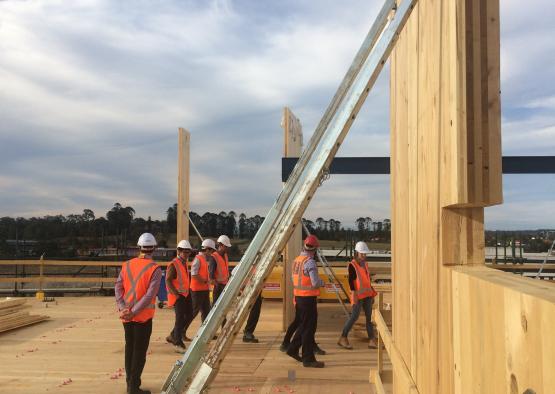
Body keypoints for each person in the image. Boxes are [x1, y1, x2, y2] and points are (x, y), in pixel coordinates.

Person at [115, 232, 161, 394]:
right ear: (153, 248)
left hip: (126, 316)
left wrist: (123, 308)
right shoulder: (155, 269)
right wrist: (134, 312)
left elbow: (118, 287)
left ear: (138, 248)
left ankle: (130, 384)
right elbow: (149, 295)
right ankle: (134, 387)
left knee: (130, 348)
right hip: (142, 317)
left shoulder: (127, 265)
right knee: (139, 352)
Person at [285, 235, 325, 368]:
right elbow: (314, 283)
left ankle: (293, 348)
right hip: (308, 299)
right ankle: (308, 358)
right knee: (309, 328)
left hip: (299, 298)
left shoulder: (297, 260)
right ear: (315, 249)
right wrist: (322, 282)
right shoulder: (310, 262)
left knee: (303, 326)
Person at [338, 241, 378, 350]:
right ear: (356, 253)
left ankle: (372, 340)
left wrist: (372, 293)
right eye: (362, 254)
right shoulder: (352, 265)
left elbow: (367, 280)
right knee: (354, 317)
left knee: (369, 318)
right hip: (358, 295)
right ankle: (343, 337)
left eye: (365, 254)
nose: (364, 256)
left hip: (367, 295)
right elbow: (352, 283)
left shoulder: (365, 264)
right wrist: (354, 296)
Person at [165, 240, 193, 354]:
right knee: (180, 318)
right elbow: (168, 280)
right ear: (179, 251)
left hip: (185, 294)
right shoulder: (174, 264)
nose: (186, 254)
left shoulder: (183, 263)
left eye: (188, 252)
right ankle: (177, 342)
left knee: (189, 315)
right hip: (178, 296)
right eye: (184, 252)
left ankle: (173, 335)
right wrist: (176, 294)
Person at [183, 238, 215, 335]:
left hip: (203, 290)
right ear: (207, 249)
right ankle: (180, 332)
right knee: (193, 313)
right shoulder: (198, 259)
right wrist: (206, 281)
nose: (212, 253)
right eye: (211, 251)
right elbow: (194, 275)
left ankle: (205, 333)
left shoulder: (203, 259)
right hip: (197, 291)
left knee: (206, 312)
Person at [210, 235, 231, 327]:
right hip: (217, 287)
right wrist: (217, 285)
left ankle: (223, 329)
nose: (226, 249)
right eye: (225, 247)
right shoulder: (214, 257)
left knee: (224, 309)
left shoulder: (225, 255)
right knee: (215, 310)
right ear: (220, 245)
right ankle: (211, 330)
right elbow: (211, 277)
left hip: (225, 286)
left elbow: (226, 270)